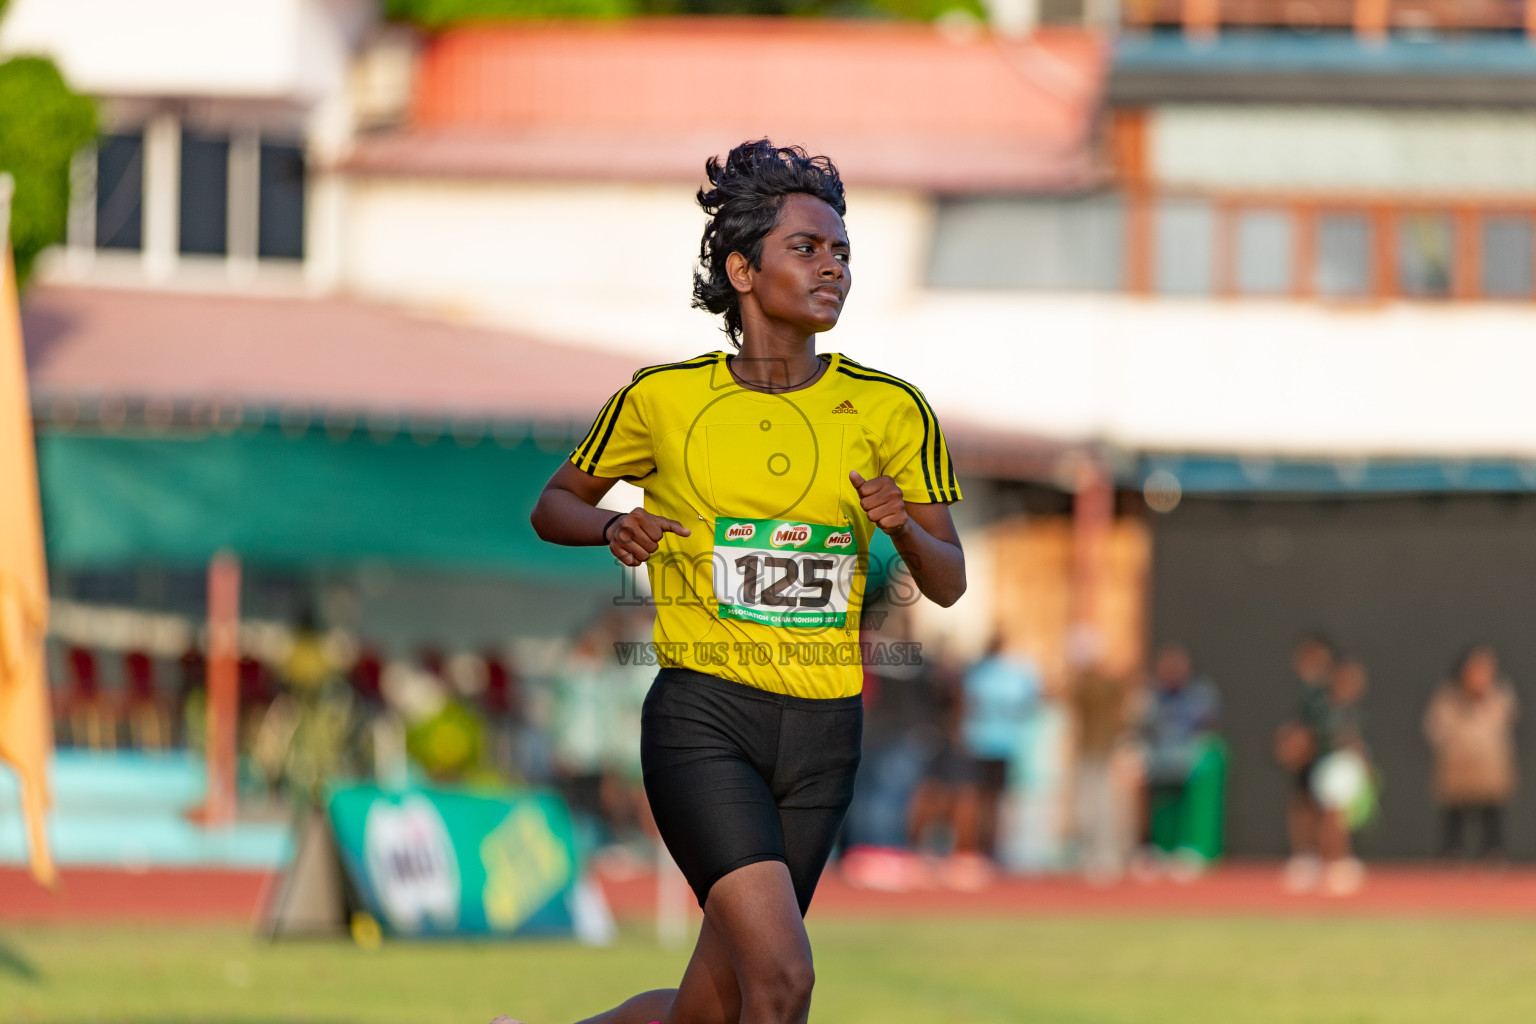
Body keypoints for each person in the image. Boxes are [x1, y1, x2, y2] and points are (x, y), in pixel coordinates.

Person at [513, 140, 966, 1024]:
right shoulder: (663, 400)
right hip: (705, 720)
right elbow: (553, 504)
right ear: (742, 269)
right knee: (784, 979)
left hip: (827, 734)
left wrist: (904, 525)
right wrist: (615, 523)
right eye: (807, 249)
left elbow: (946, 584)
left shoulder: (892, 409)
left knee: (714, 1008)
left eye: (841, 252)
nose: (832, 266)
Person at [1424, 645, 1519, 864]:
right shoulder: (1448, 699)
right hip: (1458, 772)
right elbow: (1436, 729)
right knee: (1455, 817)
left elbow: (1505, 728)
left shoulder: (1499, 697)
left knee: (1491, 817)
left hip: (1490, 772)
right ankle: (1452, 855)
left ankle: (1493, 855)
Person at [1274, 634, 1335, 892]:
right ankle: (1305, 857)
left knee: (1326, 811)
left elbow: (1324, 727)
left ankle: (1329, 860)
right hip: (1308, 762)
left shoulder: (1326, 692)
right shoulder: (1306, 692)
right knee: (1302, 807)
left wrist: (1305, 742)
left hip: (1323, 759)